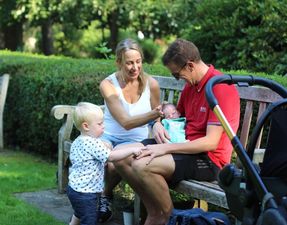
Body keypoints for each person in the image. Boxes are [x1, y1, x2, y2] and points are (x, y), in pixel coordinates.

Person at [114, 38, 240, 225]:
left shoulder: (220, 88)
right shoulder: (191, 85)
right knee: (120, 156)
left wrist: (165, 149)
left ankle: (167, 215)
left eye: (176, 74)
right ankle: (155, 212)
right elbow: (176, 118)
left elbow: (210, 142)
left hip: (209, 159)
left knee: (142, 165)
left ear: (189, 65)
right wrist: (159, 124)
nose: (177, 79)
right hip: (182, 147)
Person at [98, 38, 163, 222]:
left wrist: (157, 122)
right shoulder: (108, 85)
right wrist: (154, 116)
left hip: (135, 139)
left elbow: (156, 115)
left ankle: (105, 195)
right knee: (99, 155)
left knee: (113, 164)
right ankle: (85, 203)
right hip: (108, 135)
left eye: (138, 61)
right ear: (119, 63)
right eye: (129, 63)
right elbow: (125, 122)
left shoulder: (152, 85)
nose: (135, 67)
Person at [67, 102, 142, 225]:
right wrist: (132, 150)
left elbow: (88, 160)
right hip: (87, 193)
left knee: (79, 213)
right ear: (86, 126)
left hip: (74, 189)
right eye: (100, 124)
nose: (104, 126)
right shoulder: (93, 143)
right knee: (89, 220)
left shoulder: (78, 141)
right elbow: (111, 157)